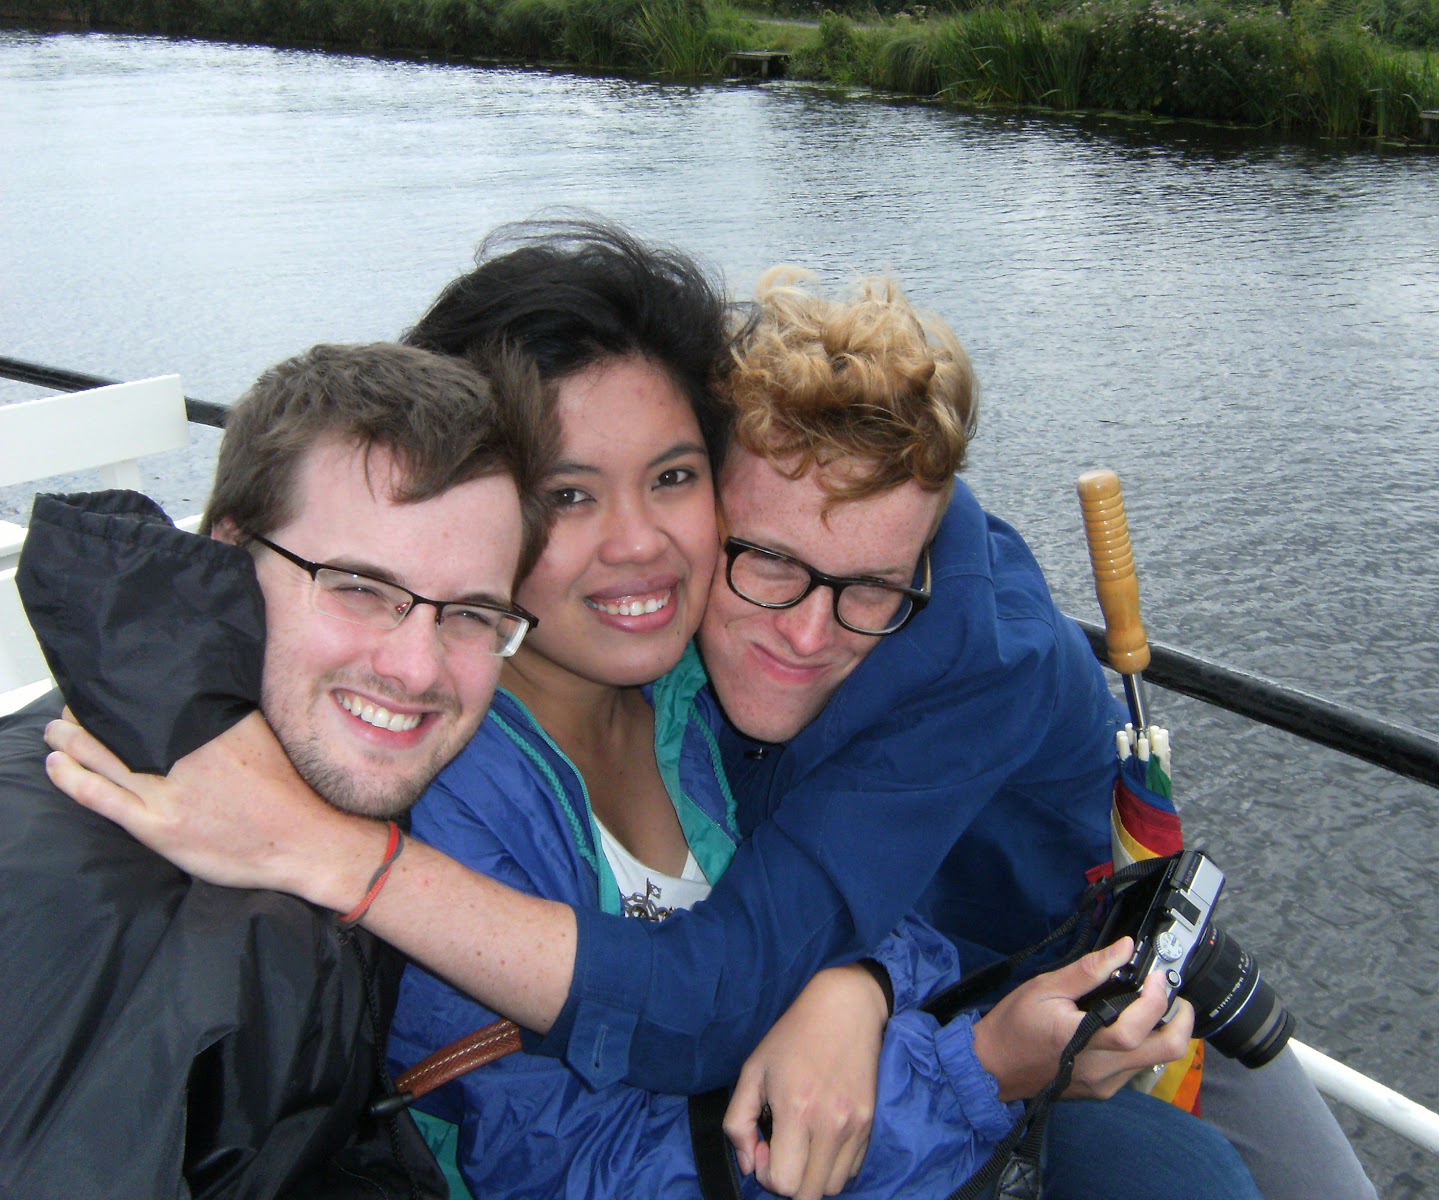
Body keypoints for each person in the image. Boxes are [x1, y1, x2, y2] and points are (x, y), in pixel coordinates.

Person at [45, 230, 1324, 1195]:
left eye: (668, 477)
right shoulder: (447, 768)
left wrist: (858, 983)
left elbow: (829, 916)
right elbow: (577, 1151)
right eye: (569, 494)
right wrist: (973, 1069)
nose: (644, 547)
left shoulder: (693, 694)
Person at [3, 341, 544, 1198]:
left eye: (472, 614)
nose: (417, 669)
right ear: (230, 553)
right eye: (359, 586)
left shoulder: (278, 794)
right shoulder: (98, 890)